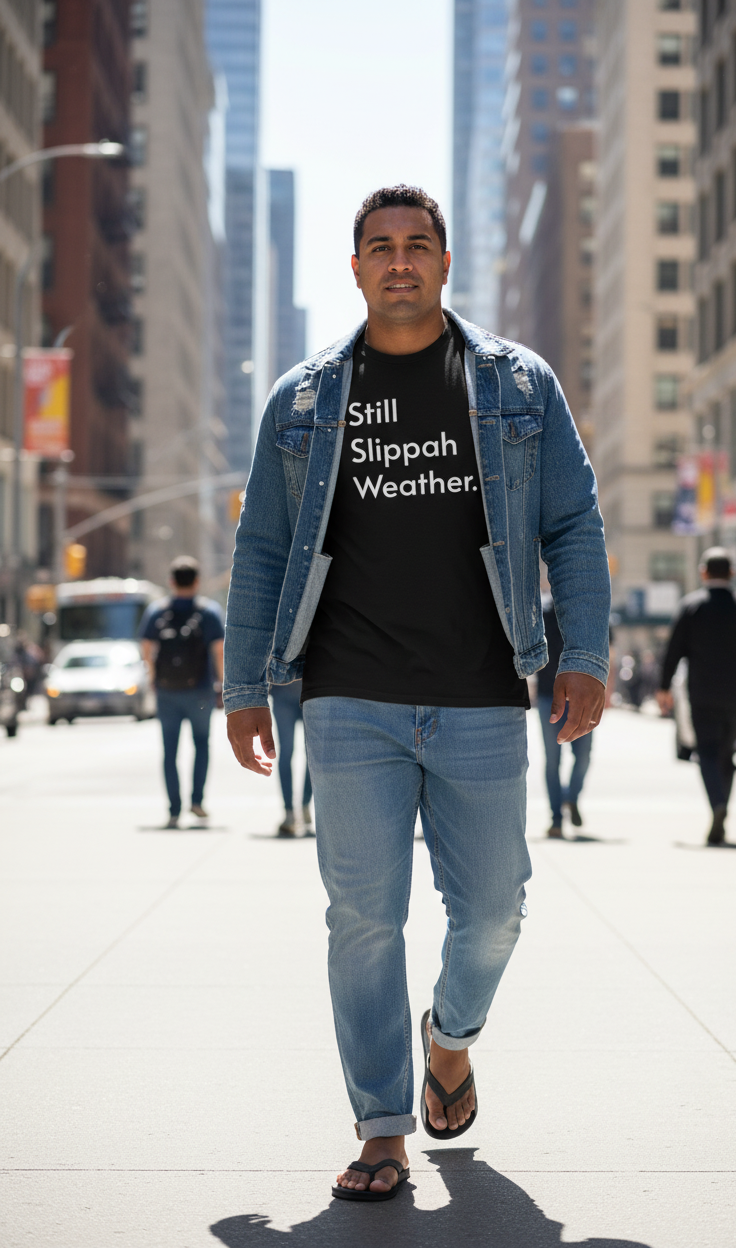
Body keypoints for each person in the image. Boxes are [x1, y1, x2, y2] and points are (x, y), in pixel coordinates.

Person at [223, 185, 610, 1201]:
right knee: (362, 916)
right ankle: (383, 1127)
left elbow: (572, 523)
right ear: (354, 269)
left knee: (493, 910)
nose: (399, 262)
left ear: (444, 263)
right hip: (346, 695)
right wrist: (245, 686)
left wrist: (586, 652)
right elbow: (263, 549)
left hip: (482, 689)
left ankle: (453, 1037)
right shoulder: (303, 401)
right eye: (379, 248)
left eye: (417, 246)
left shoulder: (516, 385)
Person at [657, 547, 736, 846]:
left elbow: (672, 651)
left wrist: (664, 688)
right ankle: (722, 808)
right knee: (726, 754)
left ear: (703, 572)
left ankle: (718, 805)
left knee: (706, 753)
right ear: (732, 573)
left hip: (702, 693)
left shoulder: (691, 606)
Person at [140, 556, 225, 829]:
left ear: (171, 581)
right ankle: (197, 801)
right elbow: (218, 651)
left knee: (169, 751)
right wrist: (221, 683)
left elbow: (146, 648)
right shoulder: (209, 612)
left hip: (167, 691)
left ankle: (174, 809)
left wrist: (153, 678)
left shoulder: (157, 611)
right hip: (200, 690)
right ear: (197, 582)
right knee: (202, 745)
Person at [536, 595, 594, 837]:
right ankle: (556, 818)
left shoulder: (586, 608)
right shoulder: (541, 611)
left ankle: (571, 798)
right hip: (548, 696)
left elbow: (604, 648)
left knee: (582, 757)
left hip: (581, 696)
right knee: (553, 761)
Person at [270, 681, 313, 836]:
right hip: (283, 694)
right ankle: (289, 810)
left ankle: (304, 805)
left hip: (310, 692)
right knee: (286, 752)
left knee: (311, 754)